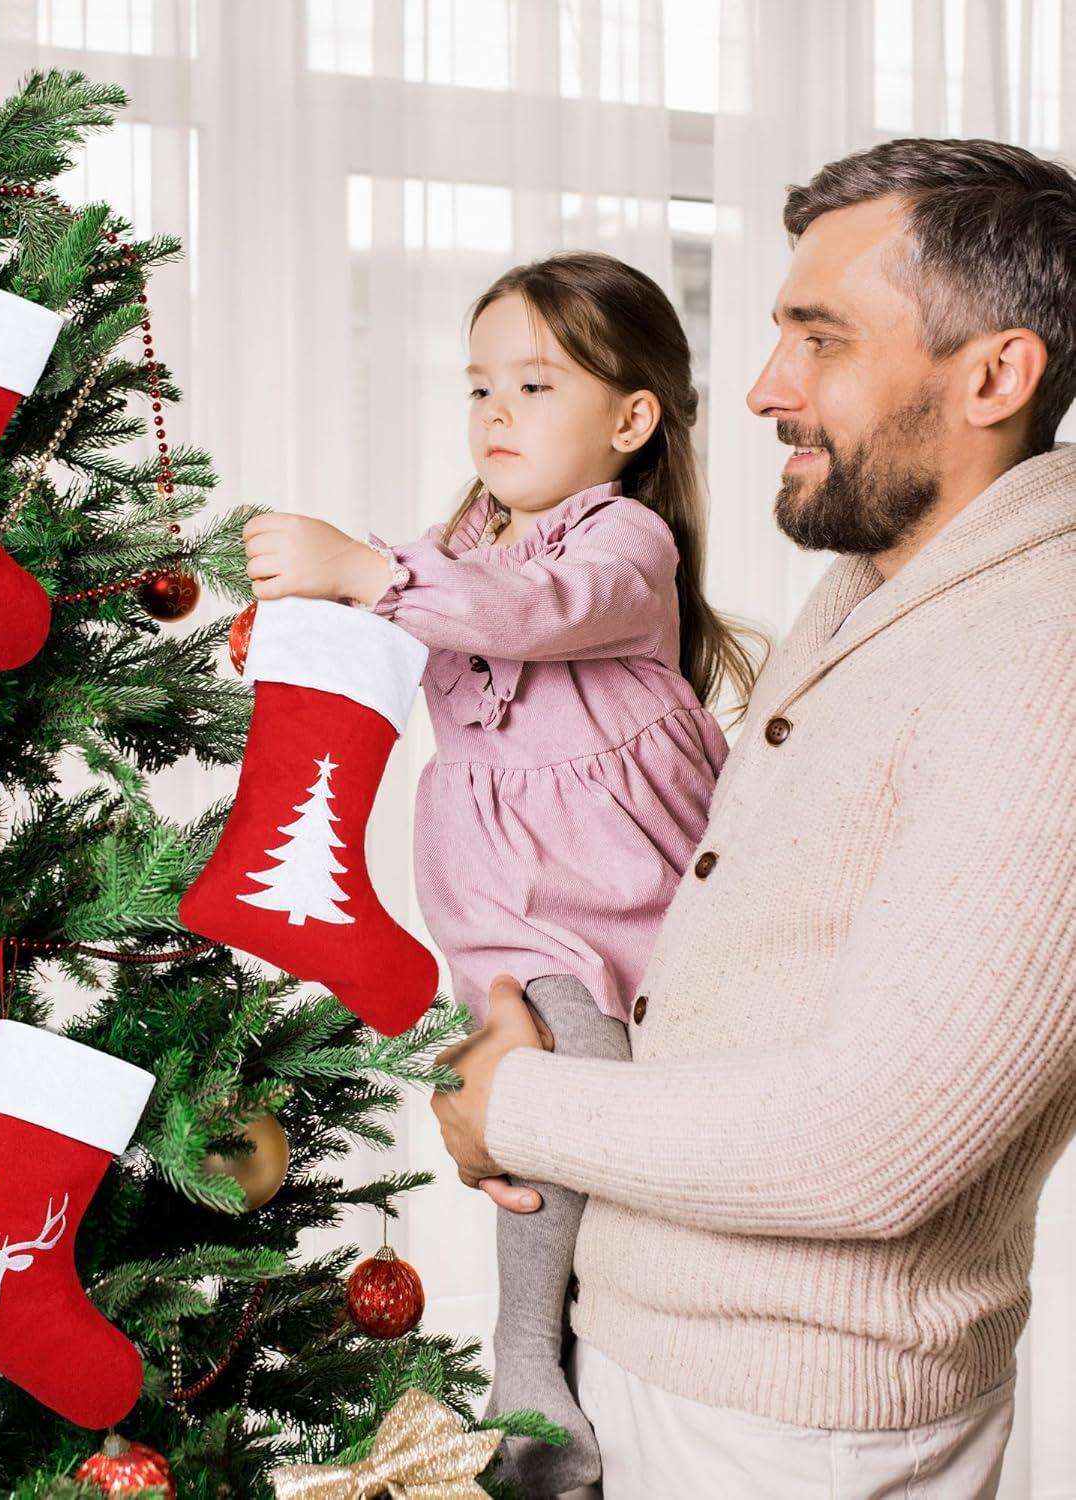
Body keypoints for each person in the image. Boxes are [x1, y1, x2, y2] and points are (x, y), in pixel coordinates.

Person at [430, 136, 1076, 1498]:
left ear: (997, 377)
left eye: (822, 340)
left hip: (794, 1432)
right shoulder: (876, 590)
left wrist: (519, 1107)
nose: (771, 388)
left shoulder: (1045, 657)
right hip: (654, 1357)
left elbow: (877, 1146)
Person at [241, 251, 759, 1493]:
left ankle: (525, 1357)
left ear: (629, 422)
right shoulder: (454, 544)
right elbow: (399, 615)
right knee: (522, 1095)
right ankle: (546, 1356)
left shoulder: (625, 544)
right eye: (479, 388)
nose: (494, 416)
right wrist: (301, 608)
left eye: (533, 385)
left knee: (568, 1087)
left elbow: (527, 613)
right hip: (499, 898)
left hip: (611, 891)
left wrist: (366, 573)